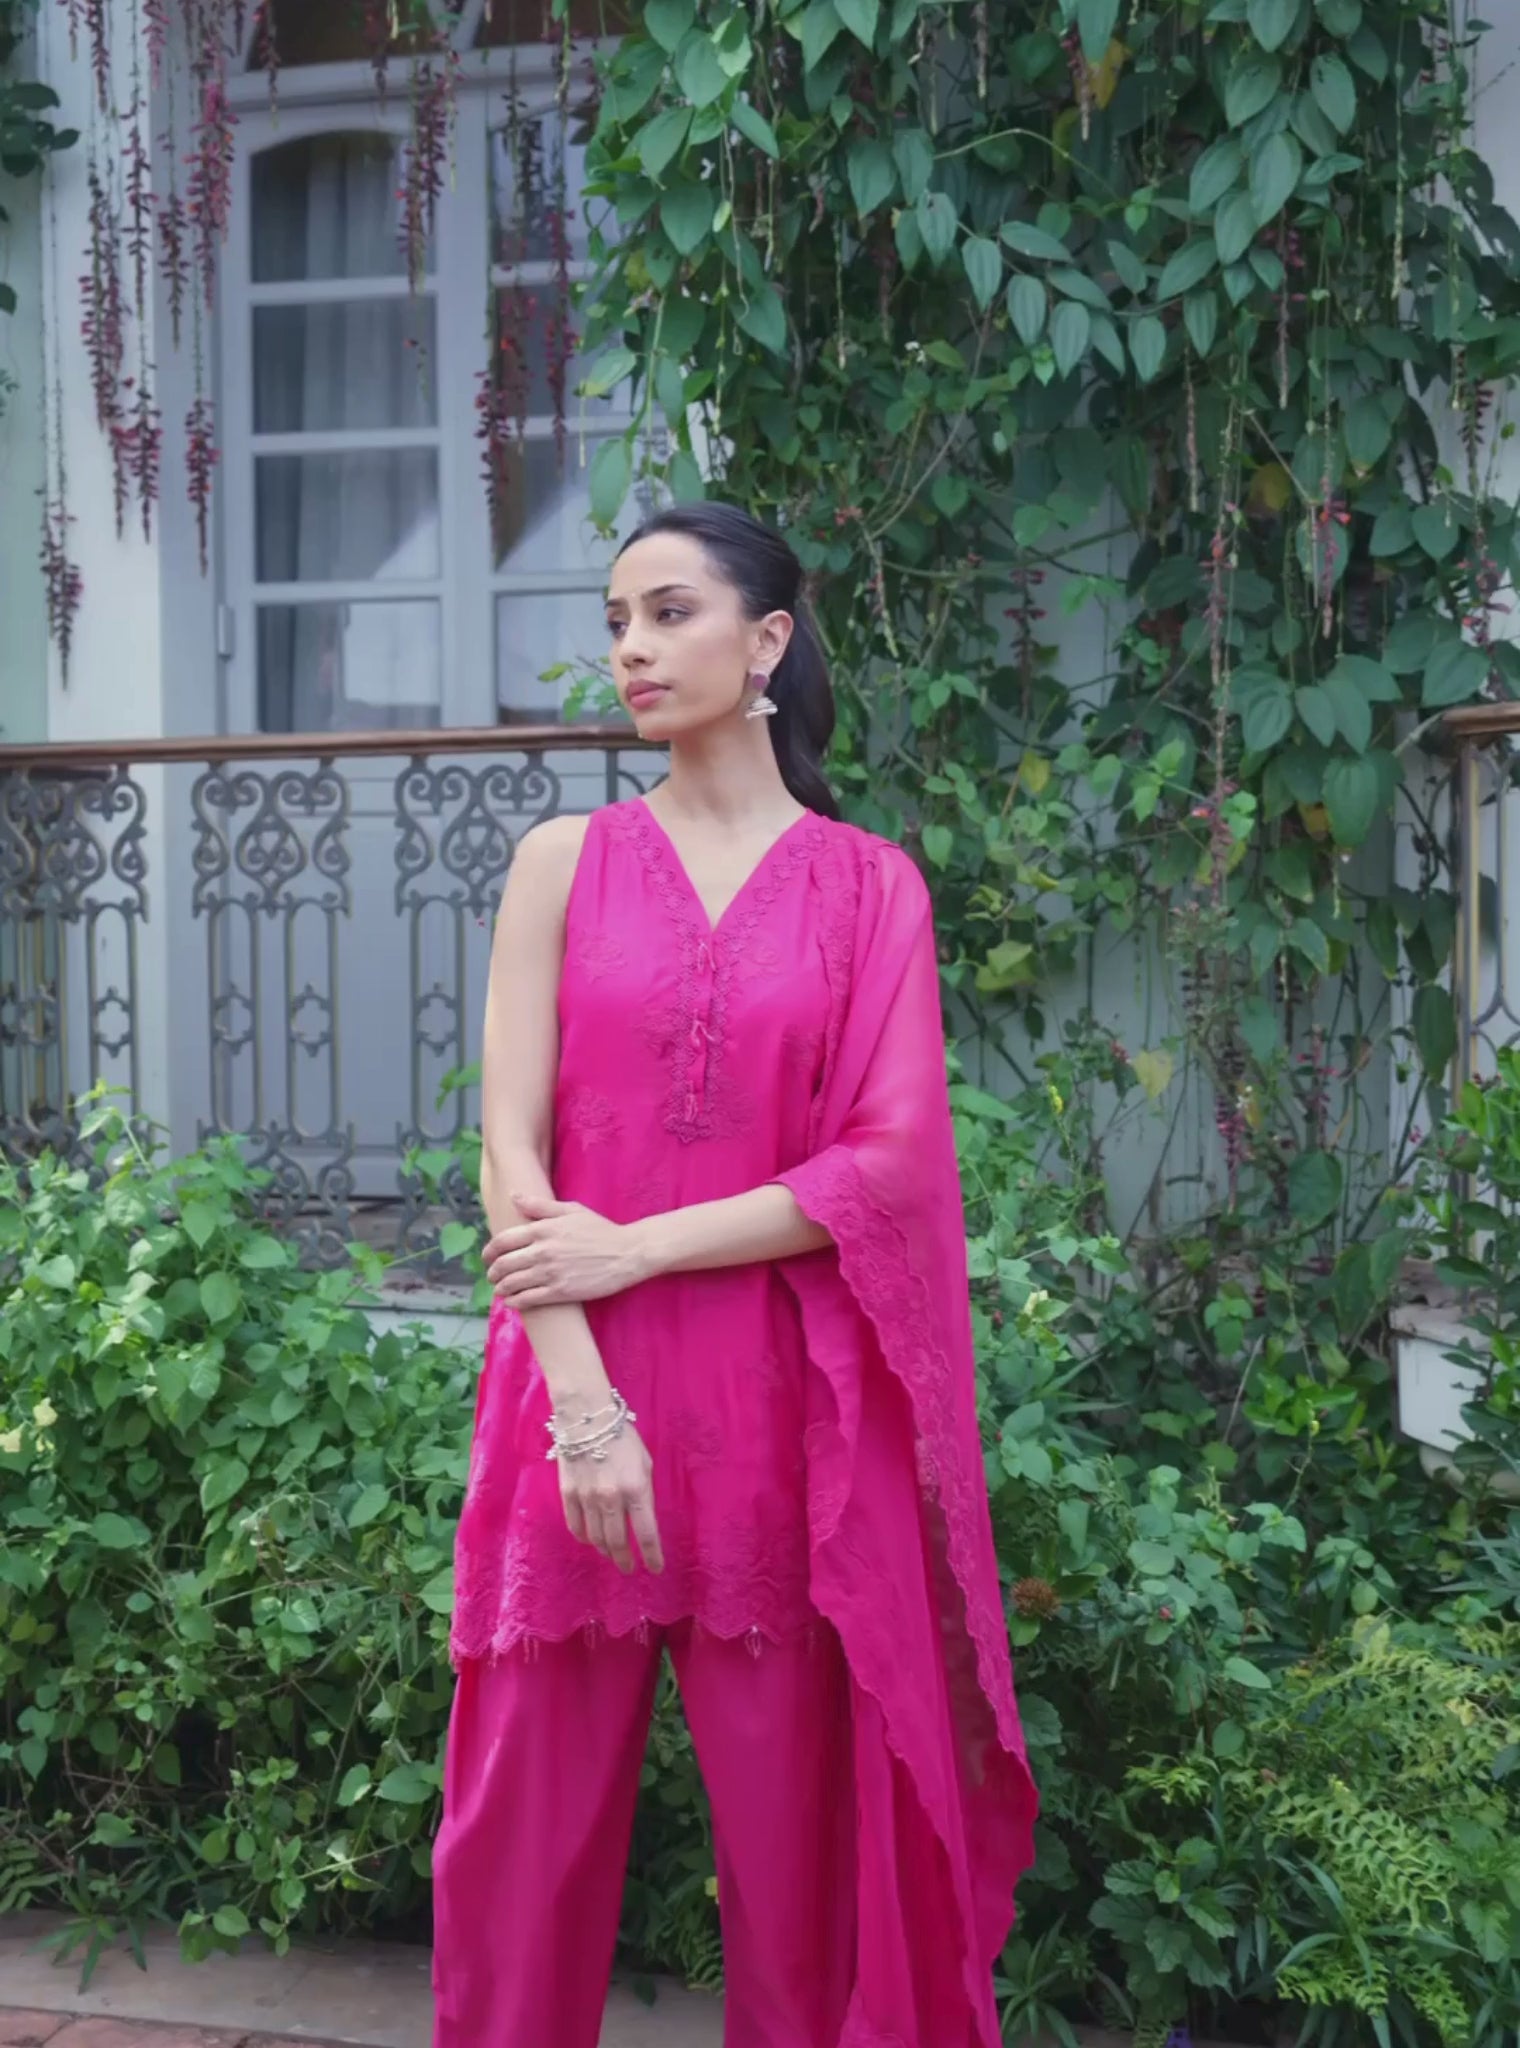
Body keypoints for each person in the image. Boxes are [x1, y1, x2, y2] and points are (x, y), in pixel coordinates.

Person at [430, 501, 1037, 2047]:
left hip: (779, 1417)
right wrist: (584, 1409)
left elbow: (887, 1169)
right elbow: (510, 1155)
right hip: (574, 1405)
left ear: (768, 641)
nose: (631, 649)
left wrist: (639, 1243)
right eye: (616, 620)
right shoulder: (563, 863)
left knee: (796, 1868)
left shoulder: (869, 888)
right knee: (518, 1846)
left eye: (669, 612)